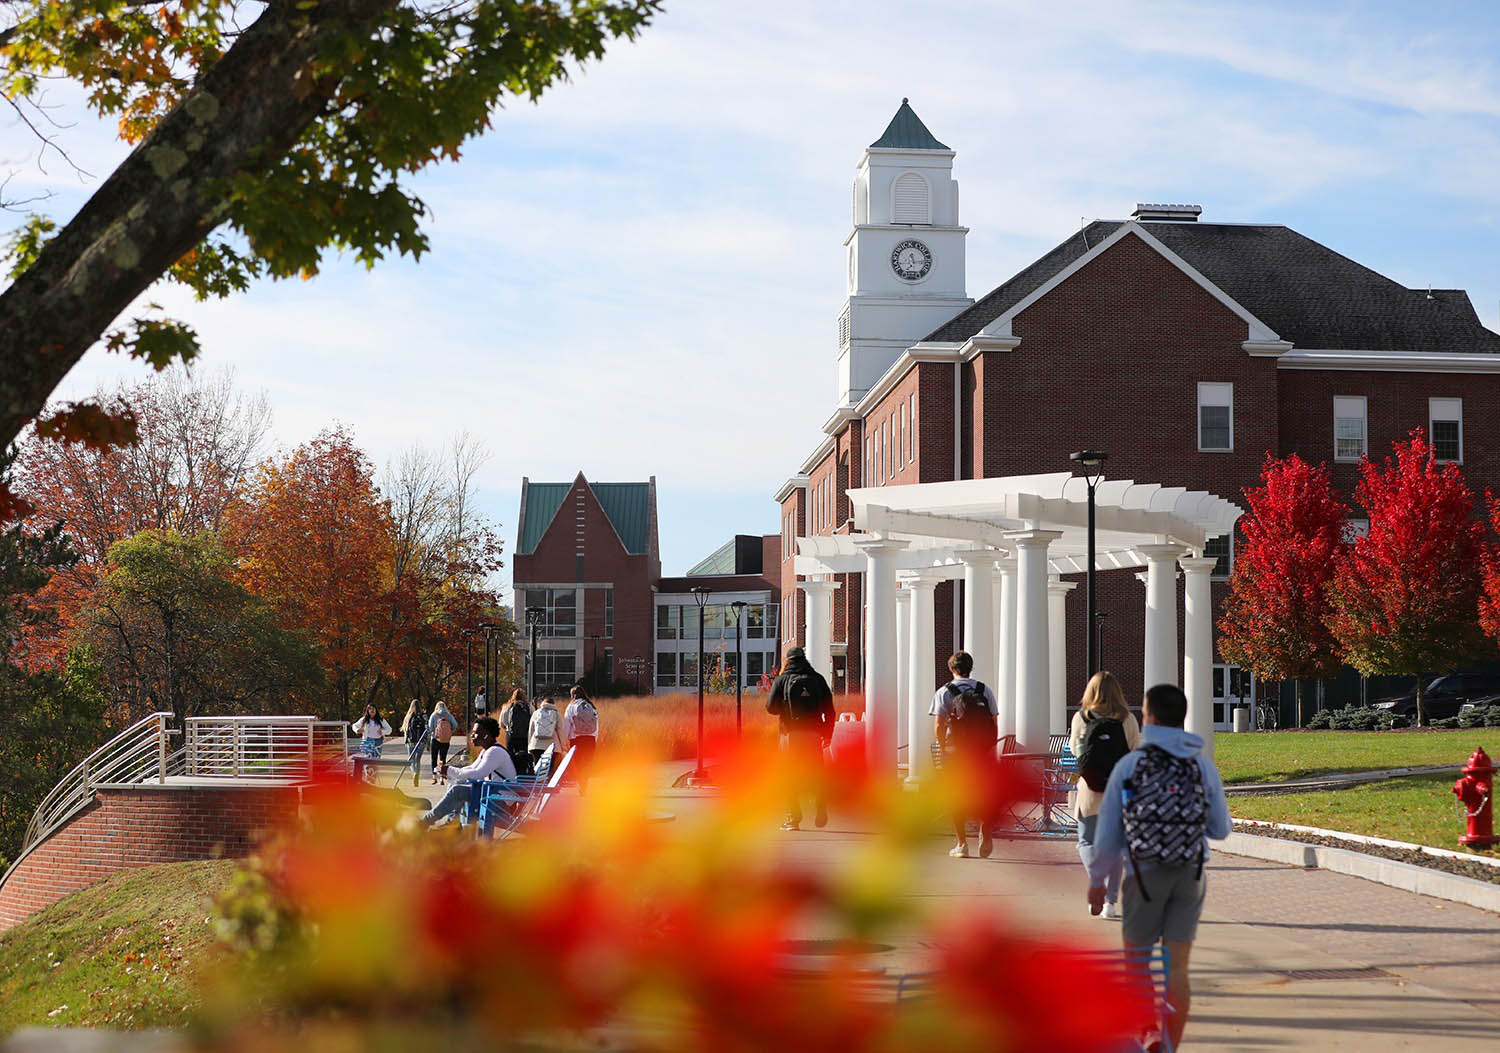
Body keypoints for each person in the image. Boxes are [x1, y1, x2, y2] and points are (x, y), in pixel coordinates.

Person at [1086, 683, 1231, 1052]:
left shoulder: (1131, 765)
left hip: (1141, 876)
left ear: (1148, 716)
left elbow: (1108, 834)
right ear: (1182, 718)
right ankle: (1169, 1047)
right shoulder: (1201, 765)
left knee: (1138, 962)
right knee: (1178, 968)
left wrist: (1098, 881)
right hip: (1189, 874)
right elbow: (1220, 829)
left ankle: (1147, 1031)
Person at [1069, 671, 1141, 919]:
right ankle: (1110, 903)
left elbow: (1076, 751)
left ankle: (1096, 881)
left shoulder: (1081, 717)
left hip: (1090, 790)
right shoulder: (1127, 718)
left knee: (1086, 841)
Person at [930, 651, 999, 859]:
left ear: (951, 669)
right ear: (971, 668)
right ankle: (985, 832)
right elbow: (994, 722)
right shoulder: (984, 690)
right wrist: (989, 747)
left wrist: (944, 747)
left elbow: (939, 724)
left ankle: (961, 844)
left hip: (955, 753)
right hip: (980, 752)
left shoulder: (944, 692)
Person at [765, 646, 835, 831]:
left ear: (787, 660)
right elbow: (830, 711)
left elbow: (770, 708)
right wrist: (827, 735)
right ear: (804, 659)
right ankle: (820, 805)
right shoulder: (817, 679)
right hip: (813, 735)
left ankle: (793, 818)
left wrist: (785, 707)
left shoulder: (782, 680)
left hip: (790, 736)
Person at [420, 717, 517, 826]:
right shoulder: (487, 751)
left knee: (458, 790)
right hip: (493, 794)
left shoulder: (495, 752)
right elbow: (470, 769)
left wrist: (450, 770)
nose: (472, 736)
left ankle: (425, 822)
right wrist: (450, 772)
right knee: (456, 784)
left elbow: (478, 774)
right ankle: (452, 823)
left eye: (475, 733)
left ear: (486, 735)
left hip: (502, 802)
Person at [562, 683, 599, 795]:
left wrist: (564, 741)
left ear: (573, 695)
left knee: (578, 763)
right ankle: (585, 783)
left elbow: (567, 725)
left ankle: (581, 784)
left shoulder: (571, 707)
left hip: (576, 739)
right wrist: (594, 738)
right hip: (590, 739)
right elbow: (596, 725)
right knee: (587, 763)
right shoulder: (591, 707)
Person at [499, 689, 533, 776]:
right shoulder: (529, 706)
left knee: (510, 756)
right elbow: (533, 720)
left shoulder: (507, 706)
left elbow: (501, 723)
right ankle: (522, 774)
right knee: (523, 756)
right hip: (525, 736)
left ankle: (511, 775)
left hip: (511, 736)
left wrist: (508, 727)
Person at [428, 700, 460, 784]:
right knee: (443, 758)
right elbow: (455, 724)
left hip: (435, 739)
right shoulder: (448, 715)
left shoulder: (434, 715)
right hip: (445, 740)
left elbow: (430, 728)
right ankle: (442, 778)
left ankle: (434, 777)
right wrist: (450, 731)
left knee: (434, 759)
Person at [400, 698, 428, 782]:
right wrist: (428, 742)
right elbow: (427, 729)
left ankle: (414, 772)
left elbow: (405, 730)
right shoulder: (424, 716)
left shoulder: (408, 716)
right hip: (421, 741)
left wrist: (406, 741)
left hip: (411, 741)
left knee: (411, 759)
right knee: (418, 759)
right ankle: (417, 777)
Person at [529, 696, 562, 766]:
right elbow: (560, 731)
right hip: (553, 747)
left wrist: (529, 746)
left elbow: (531, 730)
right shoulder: (557, 714)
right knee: (551, 772)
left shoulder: (536, 713)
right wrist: (564, 747)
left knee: (537, 770)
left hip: (536, 746)